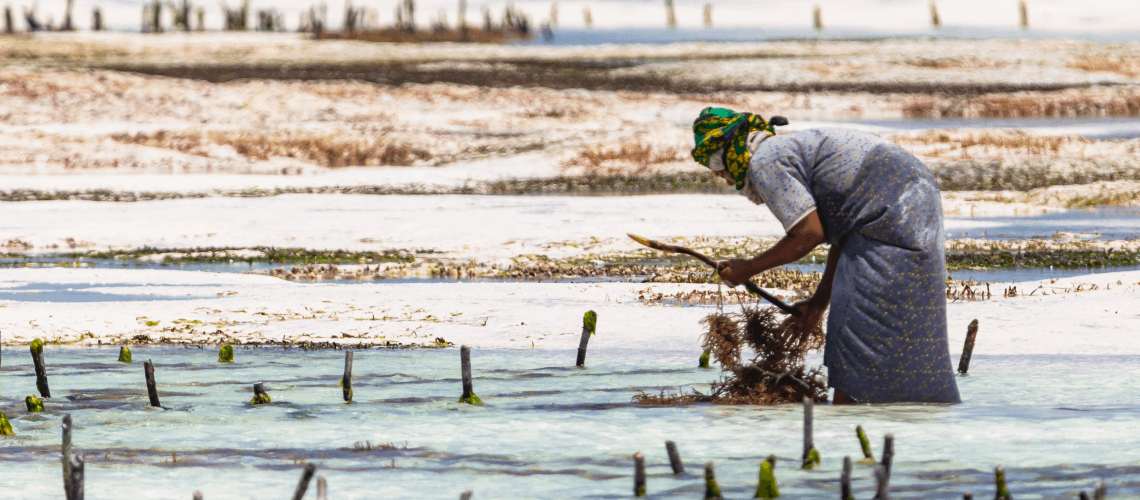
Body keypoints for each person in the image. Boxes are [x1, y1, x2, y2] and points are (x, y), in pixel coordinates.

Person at [690, 107, 960, 404]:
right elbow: (844, 235)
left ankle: (846, 423)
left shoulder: (766, 160)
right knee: (912, 335)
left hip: (890, 210)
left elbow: (808, 233)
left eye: (717, 162)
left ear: (735, 147)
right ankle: (917, 418)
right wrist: (818, 305)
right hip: (914, 198)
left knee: (856, 346)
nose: (723, 176)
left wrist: (748, 269)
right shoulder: (788, 150)